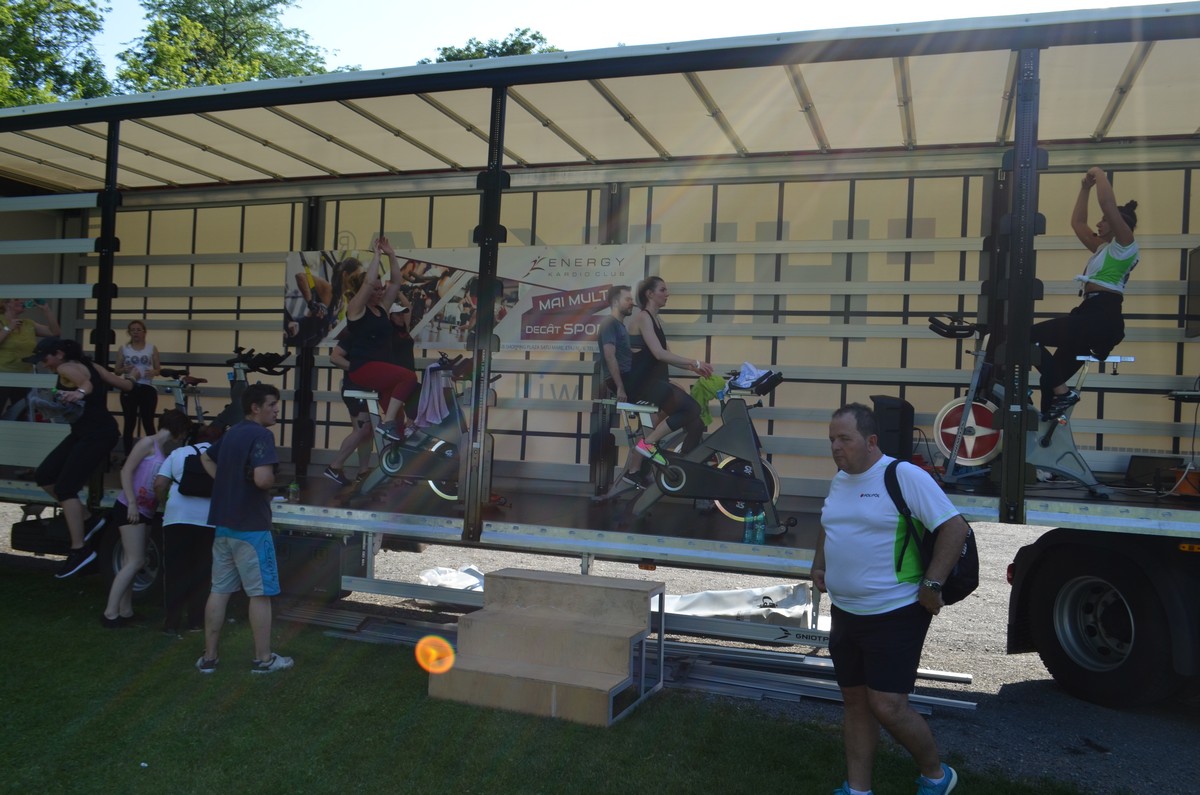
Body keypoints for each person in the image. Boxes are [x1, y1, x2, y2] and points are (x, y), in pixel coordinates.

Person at [813, 403, 968, 795]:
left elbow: (954, 527)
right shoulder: (840, 479)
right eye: (831, 439)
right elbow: (830, 523)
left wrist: (932, 584)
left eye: (844, 439)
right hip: (846, 612)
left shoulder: (903, 475)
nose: (836, 447)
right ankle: (858, 789)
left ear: (871, 441)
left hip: (895, 612)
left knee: (887, 705)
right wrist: (819, 564)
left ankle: (937, 776)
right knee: (855, 701)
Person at [196, 383, 293, 674]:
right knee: (259, 594)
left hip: (223, 525)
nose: (276, 410)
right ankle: (264, 660)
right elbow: (263, 480)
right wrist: (267, 480)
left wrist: (226, 481)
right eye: (272, 404)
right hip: (251, 526)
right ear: (255, 407)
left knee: (219, 590)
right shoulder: (262, 435)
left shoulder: (232, 432)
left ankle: (209, 658)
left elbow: (205, 457)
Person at [1031, 166, 1139, 421]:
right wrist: (1084, 188)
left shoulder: (1125, 246)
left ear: (1118, 225)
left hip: (1102, 316)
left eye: (1104, 220)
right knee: (1049, 381)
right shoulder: (1103, 248)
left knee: (1027, 338)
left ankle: (1063, 393)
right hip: (1088, 313)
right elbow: (1078, 223)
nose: (1099, 224)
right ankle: (1049, 429)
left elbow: (1108, 205)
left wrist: (1099, 174)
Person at [30, 336, 132, 579]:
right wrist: (136, 381)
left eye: (46, 359)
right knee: (45, 475)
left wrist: (79, 393)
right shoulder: (91, 364)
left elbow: (86, 384)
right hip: (84, 433)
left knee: (65, 488)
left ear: (59, 354)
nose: (44, 364)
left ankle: (80, 551)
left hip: (98, 434)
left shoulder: (65, 367)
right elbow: (124, 385)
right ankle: (89, 520)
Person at [101, 408, 191, 627]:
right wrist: (132, 503)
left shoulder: (162, 449)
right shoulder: (147, 443)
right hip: (130, 509)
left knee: (130, 561)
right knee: (136, 561)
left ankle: (126, 610)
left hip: (146, 511)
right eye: (184, 431)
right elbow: (126, 471)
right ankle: (110, 613)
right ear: (178, 428)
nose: (184, 436)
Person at [627, 276, 713, 463]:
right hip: (643, 386)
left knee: (696, 423)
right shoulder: (643, 318)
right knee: (692, 408)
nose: (667, 294)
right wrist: (695, 362)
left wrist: (692, 367)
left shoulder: (655, 320)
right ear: (650, 294)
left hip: (656, 384)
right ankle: (647, 444)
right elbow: (659, 354)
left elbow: (667, 354)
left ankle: (684, 465)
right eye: (663, 290)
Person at [343, 236, 417, 442]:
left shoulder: (382, 309)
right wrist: (376, 255)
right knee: (409, 377)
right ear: (364, 292)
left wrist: (391, 254)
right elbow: (368, 282)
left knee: (399, 420)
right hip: (363, 368)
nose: (379, 292)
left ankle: (394, 456)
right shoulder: (356, 310)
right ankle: (387, 422)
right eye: (375, 289)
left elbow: (395, 282)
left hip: (381, 369)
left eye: (380, 288)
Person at [155, 426, 219, 637]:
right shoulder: (219, 456)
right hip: (208, 521)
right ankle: (196, 621)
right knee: (202, 572)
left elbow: (160, 484)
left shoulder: (178, 453)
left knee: (175, 571)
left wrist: (164, 503)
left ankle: (171, 623)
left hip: (177, 519)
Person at [0, 297, 60, 420]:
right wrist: (8, 328)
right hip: (3, 374)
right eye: (16, 299)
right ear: (6, 303)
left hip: (24, 375)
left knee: (22, 413)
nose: (22, 301)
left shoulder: (28, 323)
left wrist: (46, 310)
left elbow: (55, 333)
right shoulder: (1, 321)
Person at [115, 320, 160, 456]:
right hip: (130, 387)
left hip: (147, 387)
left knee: (148, 422)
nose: (136, 332)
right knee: (129, 422)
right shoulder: (124, 348)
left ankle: (154, 455)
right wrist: (124, 369)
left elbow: (158, 369)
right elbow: (117, 370)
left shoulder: (151, 348)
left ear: (144, 332)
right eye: (133, 330)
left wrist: (153, 372)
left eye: (139, 330)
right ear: (129, 333)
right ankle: (128, 455)